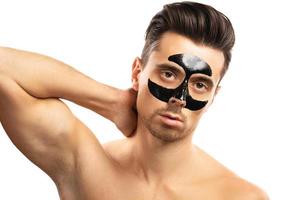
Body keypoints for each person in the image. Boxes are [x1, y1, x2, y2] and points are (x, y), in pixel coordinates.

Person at [0, 1, 268, 199]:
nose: (180, 98)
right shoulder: (86, 163)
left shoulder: (238, 196)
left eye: (200, 84)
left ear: (213, 96)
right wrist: (111, 101)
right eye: (168, 73)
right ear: (137, 73)